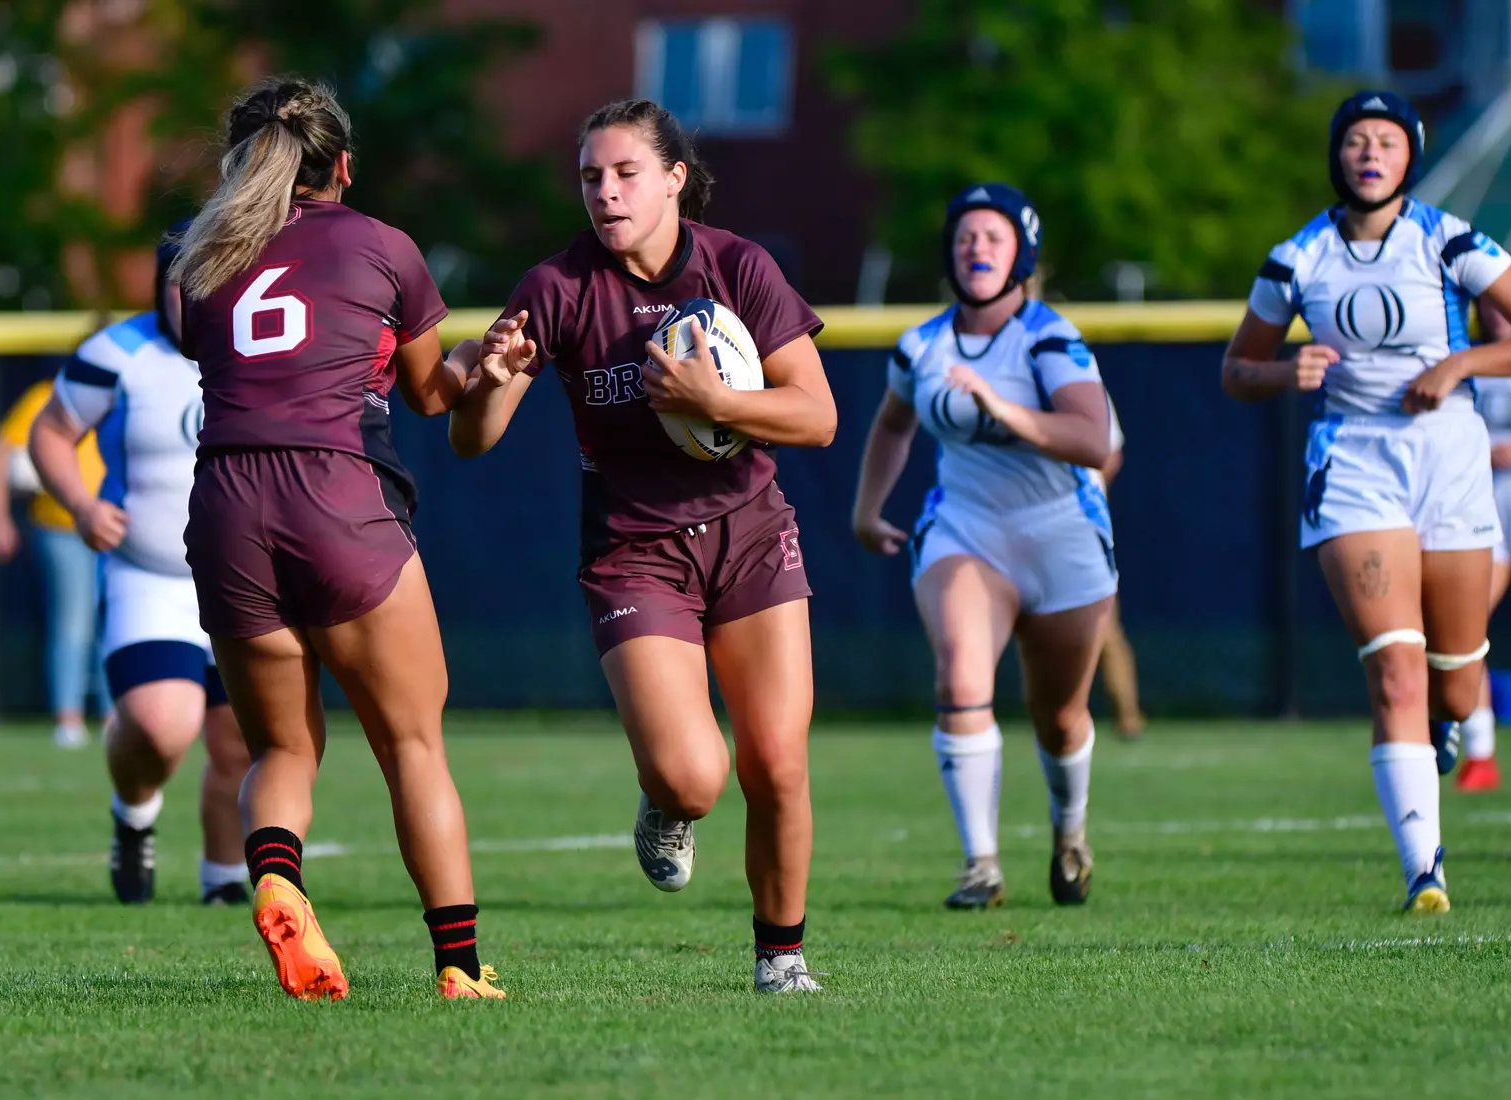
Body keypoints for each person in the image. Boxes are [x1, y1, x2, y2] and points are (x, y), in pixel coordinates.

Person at [449, 99, 837, 993]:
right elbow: (473, 441)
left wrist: (721, 403)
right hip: (636, 552)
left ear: (673, 180)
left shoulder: (738, 265)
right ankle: (666, 802)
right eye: (590, 176)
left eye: (625, 173)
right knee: (696, 778)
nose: (605, 193)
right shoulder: (557, 287)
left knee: (776, 761)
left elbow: (816, 415)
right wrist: (495, 379)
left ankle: (781, 961)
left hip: (748, 532)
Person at [171, 77, 501, 1000]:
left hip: (227, 504)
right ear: (344, 164)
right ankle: (460, 968)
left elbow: (218, 344)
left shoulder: (196, 258)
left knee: (280, 748)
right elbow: (434, 395)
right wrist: (489, 360)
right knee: (412, 745)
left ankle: (277, 872)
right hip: (335, 492)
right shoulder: (383, 246)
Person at [1223, 91, 1511, 913]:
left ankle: (1447, 724)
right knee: (1395, 673)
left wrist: (1460, 365)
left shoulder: (1447, 238)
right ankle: (1424, 874)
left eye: (1387, 142)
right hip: (1354, 464)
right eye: (1356, 141)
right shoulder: (1296, 258)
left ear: (1410, 157)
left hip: (1450, 459)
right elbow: (1237, 369)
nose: (1370, 154)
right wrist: (1278, 372)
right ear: (1336, 155)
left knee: (1456, 685)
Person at [852, 183, 1115, 912]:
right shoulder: (921, 344)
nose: (976, 249)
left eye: (992, 237)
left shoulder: (1049, 337)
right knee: (959, 678)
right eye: (965, 236)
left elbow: (1091, 439)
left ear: (1020, 254)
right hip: (966, 527)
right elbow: (892, 425)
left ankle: (1069, 834)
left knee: (1059, 714)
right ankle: (981, 866)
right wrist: (867, 509)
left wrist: (1003, 406)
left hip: (1060, 530)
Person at [27, 226, 252, 906]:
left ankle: (224, 880)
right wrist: (79, 504)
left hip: (244, 577)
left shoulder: (260, 348)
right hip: (147, 577)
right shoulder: (118, 354)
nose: (197, 297)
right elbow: (51, 432)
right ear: (163, 286)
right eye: (185, 283)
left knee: (242, 740)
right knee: (162, 725)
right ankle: (134, 814)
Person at [0, 379, 111, 746]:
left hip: (119, 528)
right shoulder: (47, 395)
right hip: (61, 527)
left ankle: (114, 716)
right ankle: (67, 718)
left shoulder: (129, 389)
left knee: (115, 621)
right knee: (73, 621)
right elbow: (3, 450)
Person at [1461, 296, 1511, 791]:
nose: (1497, 314)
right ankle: (1479, 752)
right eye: (1489, 305)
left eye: (1504, 303)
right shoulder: (1468, 360)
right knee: (1462, 633)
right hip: (1481, 509)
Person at [1091, 397, 1146, 739]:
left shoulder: (1079, 374)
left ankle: (1128, 716)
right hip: (1015, 520)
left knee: (1103, 623)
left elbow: (1112, 453)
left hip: (1078, 522)